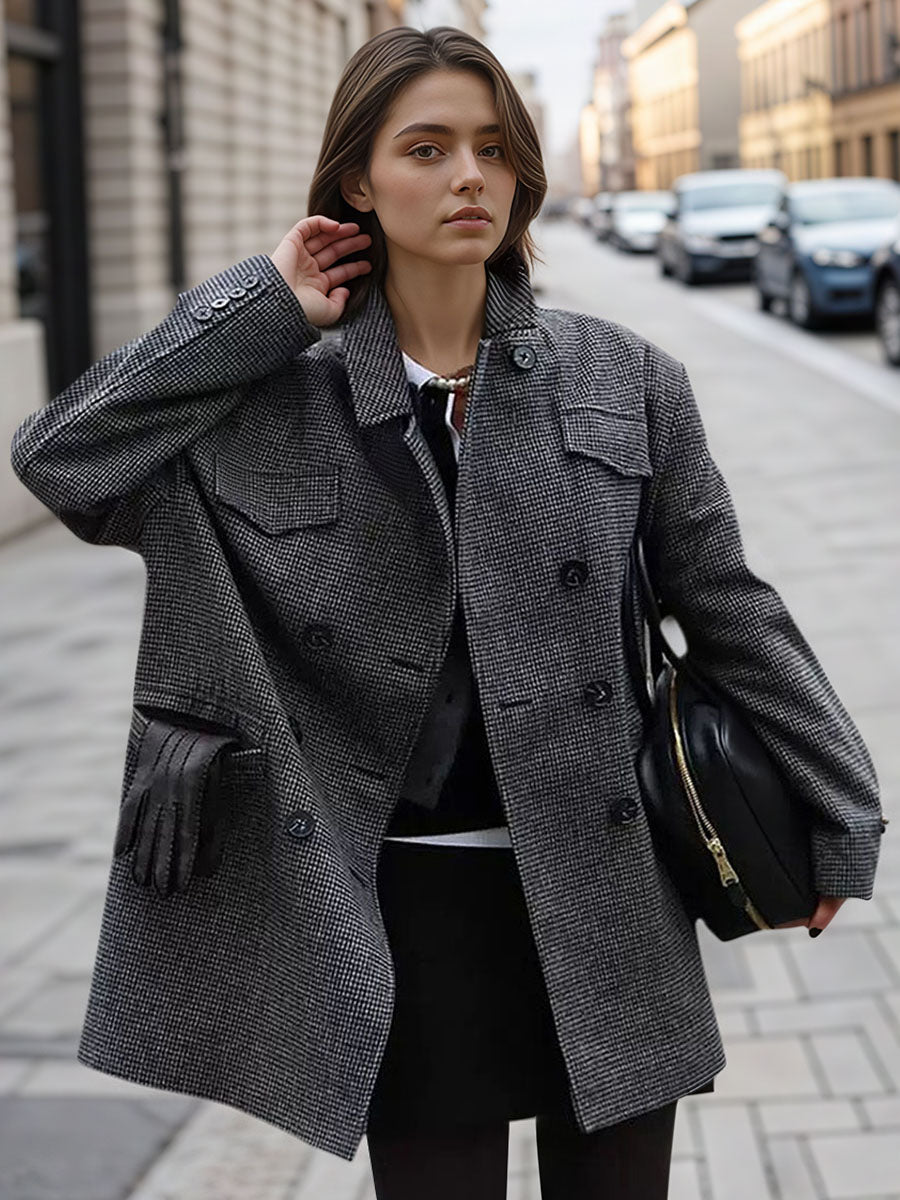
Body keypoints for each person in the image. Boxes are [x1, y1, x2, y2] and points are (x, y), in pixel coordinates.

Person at [9, 24, 883, 1200]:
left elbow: (731, 607)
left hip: (611, 882)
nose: (467, 176)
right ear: (357, 182)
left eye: (491, 148)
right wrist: (261, 303)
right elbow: (65, 457)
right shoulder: (270, 400)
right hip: (404, 905)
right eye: (425, 148)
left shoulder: (626, 380)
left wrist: (837, 804)